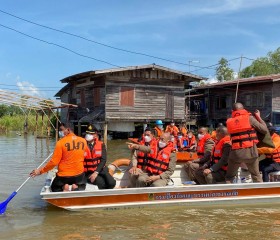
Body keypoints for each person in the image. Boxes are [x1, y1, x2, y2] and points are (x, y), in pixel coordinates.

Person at [30, 123, 87, 192]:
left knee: (54, 188)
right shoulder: (83, 141)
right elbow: (86, 156)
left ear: (68, 130)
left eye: (61, 130)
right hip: (79, 176)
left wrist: (40, 171)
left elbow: (54, 162)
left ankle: (64, 186)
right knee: (82, 183)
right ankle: (75, 185)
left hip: (64, 177)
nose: (60, 132)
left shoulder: (60, 143)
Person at [225, 103, 268, 183]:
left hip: (236, 154)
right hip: (250, 152)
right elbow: (264, 130)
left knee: (229, 177)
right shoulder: (250, 118)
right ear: (243, 109)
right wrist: (258, 117)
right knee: (256, 175)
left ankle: (229, 193)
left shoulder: (229, 121)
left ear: (232, 111)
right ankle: (259, 193)